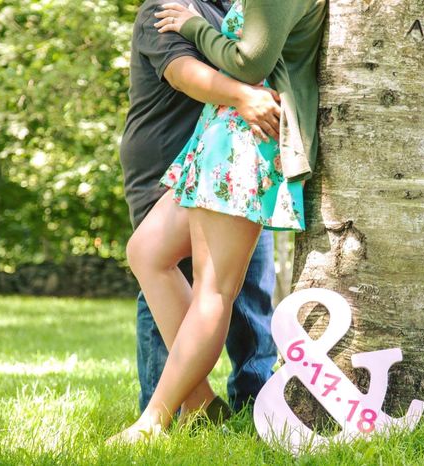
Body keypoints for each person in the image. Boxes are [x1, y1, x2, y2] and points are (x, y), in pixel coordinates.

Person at [108, 0, 326, 444]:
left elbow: (250, 63)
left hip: (246, 141)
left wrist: (193, 27)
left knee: (215, 291)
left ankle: (153, 421)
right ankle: (201, 403)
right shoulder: (171, 5)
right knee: (146, 252)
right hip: (221, 135)